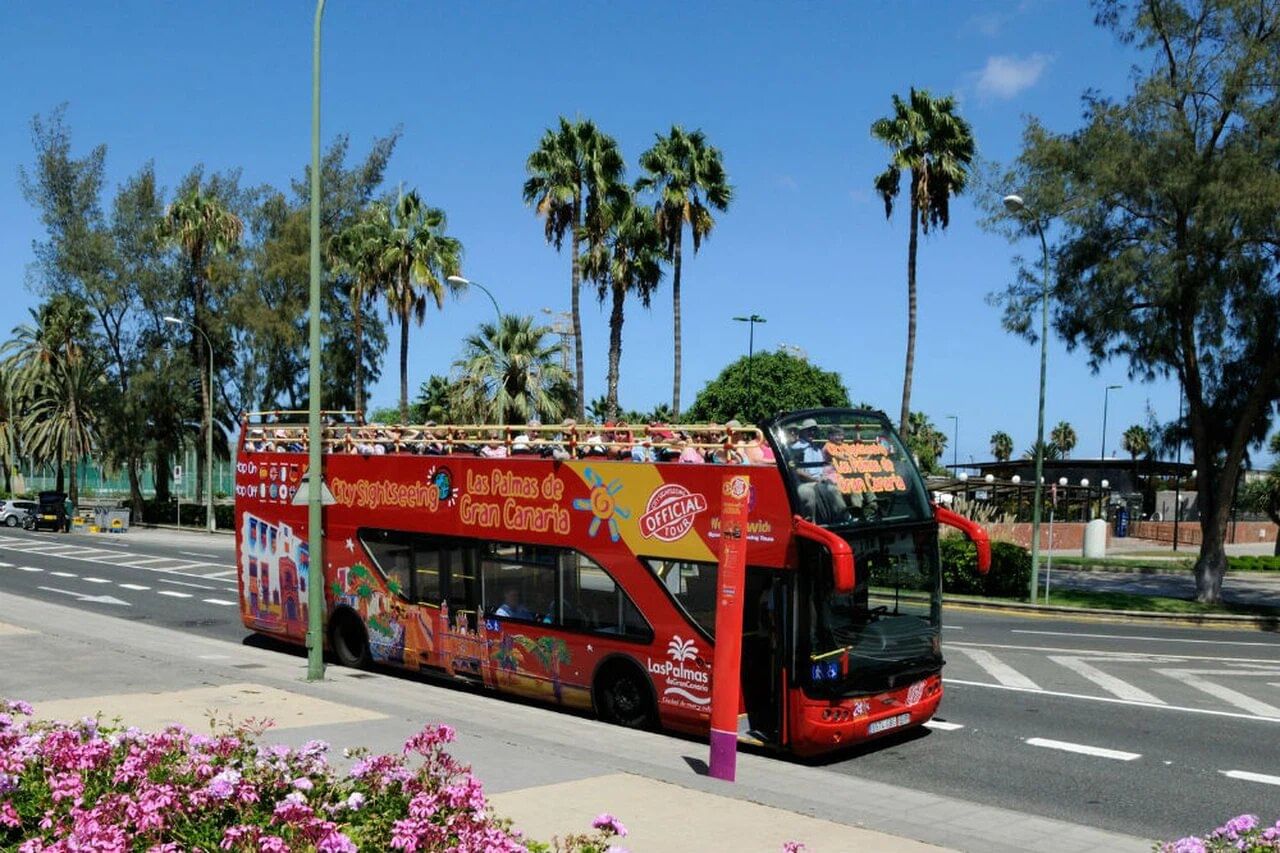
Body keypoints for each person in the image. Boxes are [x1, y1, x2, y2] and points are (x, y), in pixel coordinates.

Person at [789, 418, 848, 523]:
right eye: (809, 430)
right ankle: (811, 523)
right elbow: (797, 470)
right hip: (804, 482)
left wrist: (823, 477)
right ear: (803, 432)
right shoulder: (797, 448)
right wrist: (815, 479)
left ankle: (839, 518)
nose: (812, 432)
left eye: (814, 430)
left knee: (838, 486)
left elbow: (822, 467)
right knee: (810, 492)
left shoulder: (817, 449)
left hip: (819, 480)